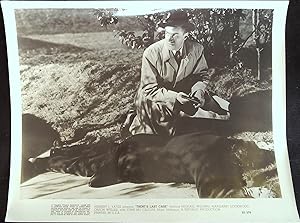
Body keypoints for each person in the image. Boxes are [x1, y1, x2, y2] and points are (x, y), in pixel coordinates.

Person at [128, 11, 229, 137]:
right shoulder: (151, 53)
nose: (169, 39)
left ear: (185, 36)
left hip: (183, 93)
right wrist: (175, 97)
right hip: (155, 97)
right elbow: (149, 89)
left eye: (175, 35)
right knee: (161, 136)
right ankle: (134, 117)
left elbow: (201, 76)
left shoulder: (197, 49)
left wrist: (198, 91)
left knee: (221, 118)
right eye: (167, 34)